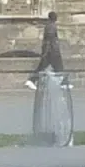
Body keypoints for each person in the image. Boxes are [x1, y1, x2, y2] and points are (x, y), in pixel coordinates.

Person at [30, 11, 73, 148]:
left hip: (51, 51)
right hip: (52, 51)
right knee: (57, 67)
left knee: (54, 68)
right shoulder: (51, 27)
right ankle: (34, 79)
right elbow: (50, 40)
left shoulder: (50, 26)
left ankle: (34, 79)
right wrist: (49, 52)